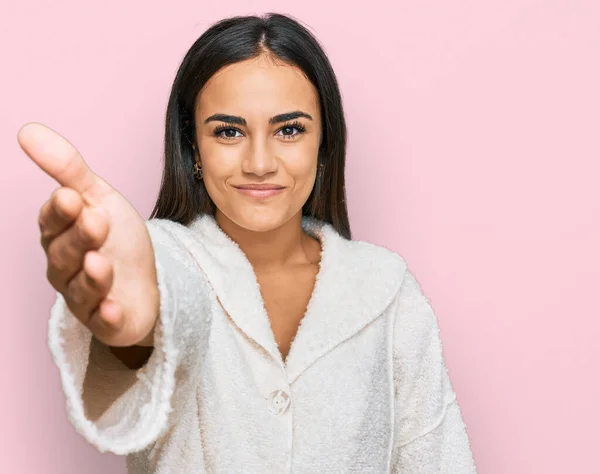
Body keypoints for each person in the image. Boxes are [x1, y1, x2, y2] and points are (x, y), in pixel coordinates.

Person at [18, 13, 477, 474]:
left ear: (325, 144)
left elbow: (438, 459)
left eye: (290, 129)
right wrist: (134, 333)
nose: (259, 163)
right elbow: (171, 307)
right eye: (228, 132)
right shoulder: (166, 261)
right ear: (194, 149)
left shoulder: (388, 289)